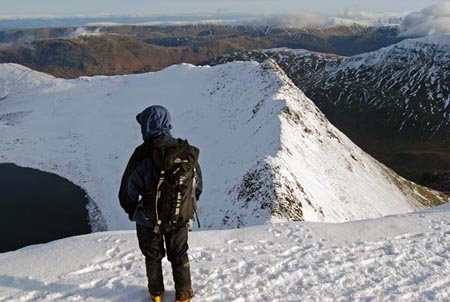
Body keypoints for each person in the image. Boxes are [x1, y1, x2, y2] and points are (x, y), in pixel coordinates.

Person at [119, 105, 202, 302]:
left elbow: (127, 192)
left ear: (147, 126)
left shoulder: (142, 154)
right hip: (179, 217)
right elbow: (197, 187)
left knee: (152, 257)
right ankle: (183, 295)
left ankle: (156, 294)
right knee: (179, 255)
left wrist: (136, 212)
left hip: (149, 219)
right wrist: (182, 206)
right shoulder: (186, 152)